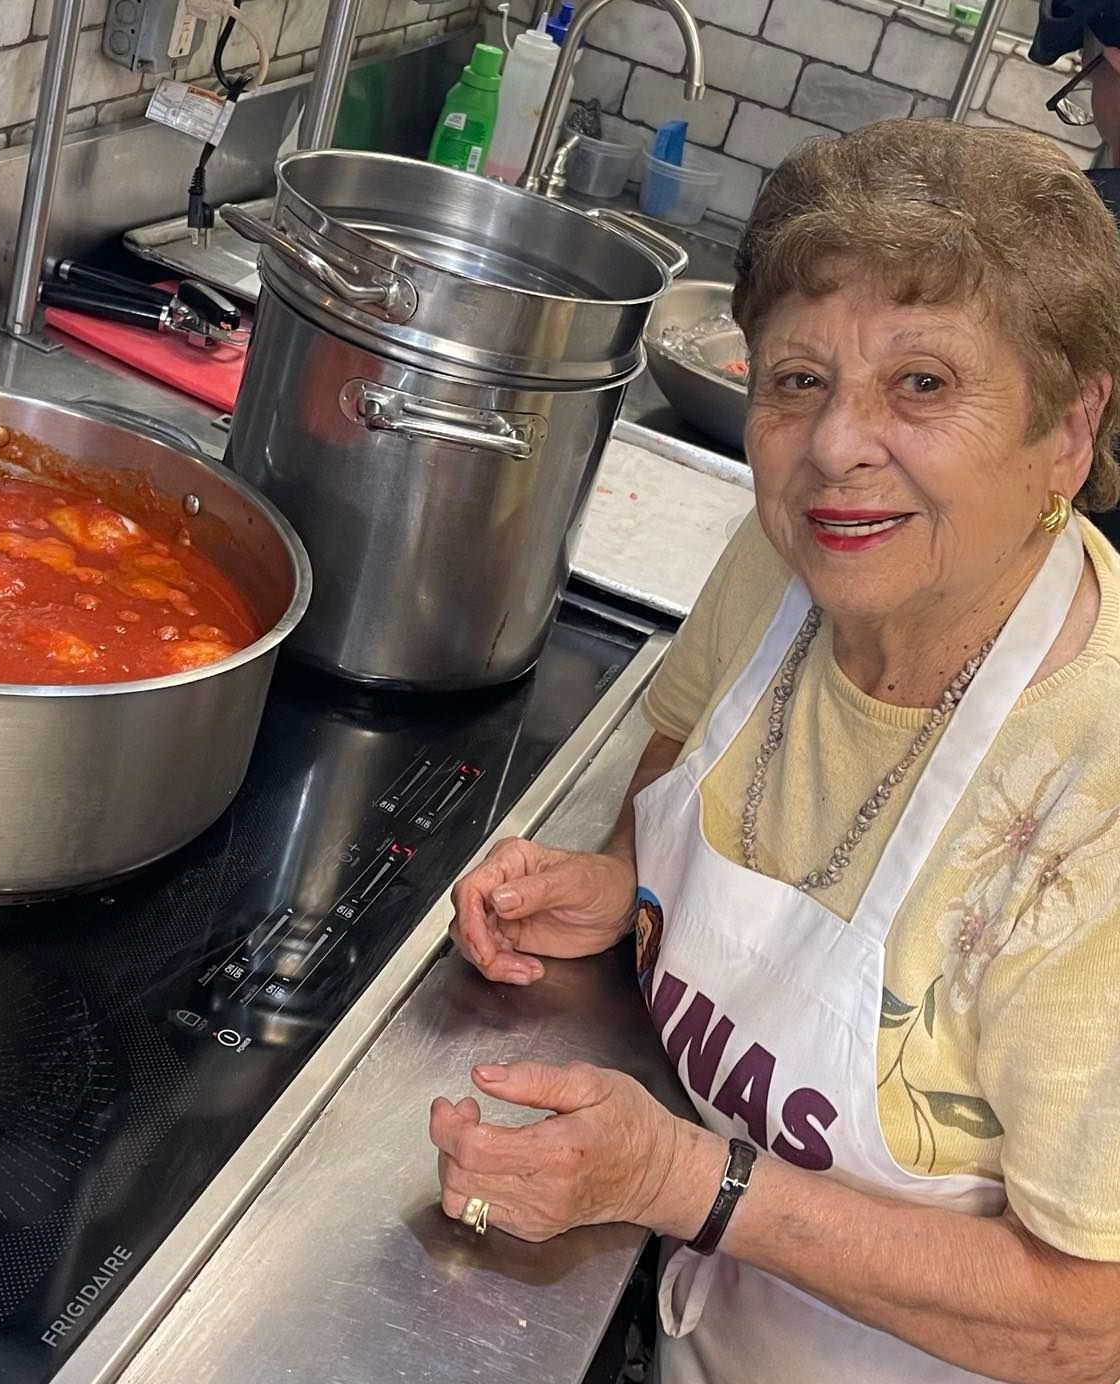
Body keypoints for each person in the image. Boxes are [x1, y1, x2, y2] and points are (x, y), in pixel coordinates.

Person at [428, 119, 1120, 1383]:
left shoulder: (1095, 806)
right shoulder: (796, 556)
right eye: (798, 379)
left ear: (1069, 432)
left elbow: (1096, 1316)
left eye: (923, 383)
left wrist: (684, 1178)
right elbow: (687, 748)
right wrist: (625, 881)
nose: (837, 446)